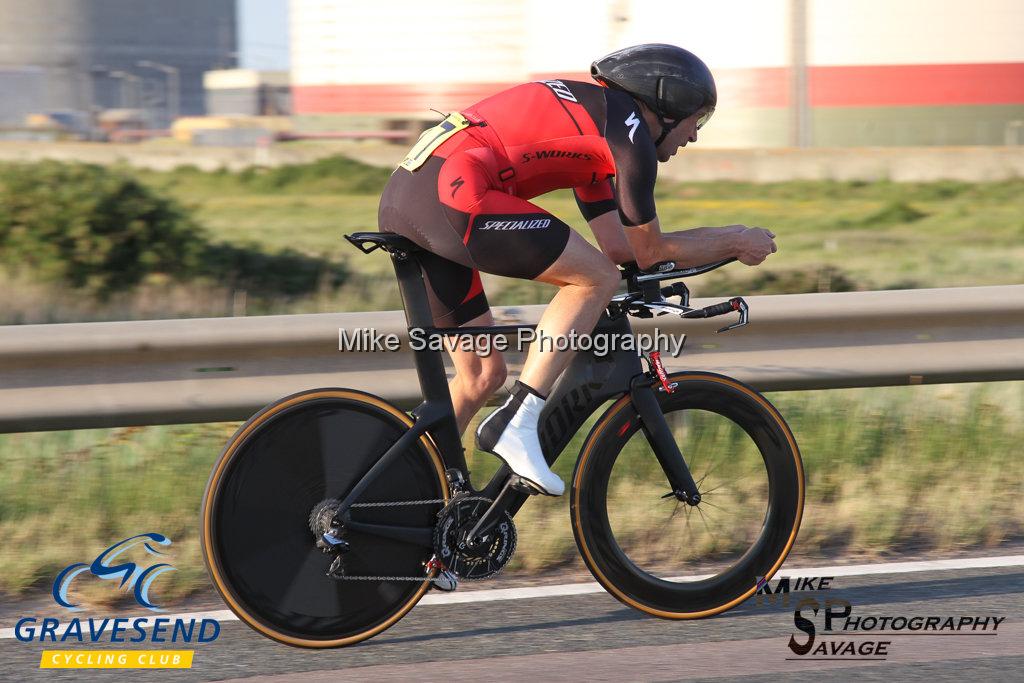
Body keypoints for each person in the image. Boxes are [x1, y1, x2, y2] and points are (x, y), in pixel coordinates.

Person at [378, 43, 777, 496]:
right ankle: (518, 419)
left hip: (409, 196)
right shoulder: (629, 138)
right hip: (451, 193)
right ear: (668, 106)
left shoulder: (598, 131)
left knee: (480, 376)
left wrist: (649, 279)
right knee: (593, 279)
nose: (694, 136)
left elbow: (618, 247)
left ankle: (403, 498)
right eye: (696, 120)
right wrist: (735, 239)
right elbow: (648, 250)